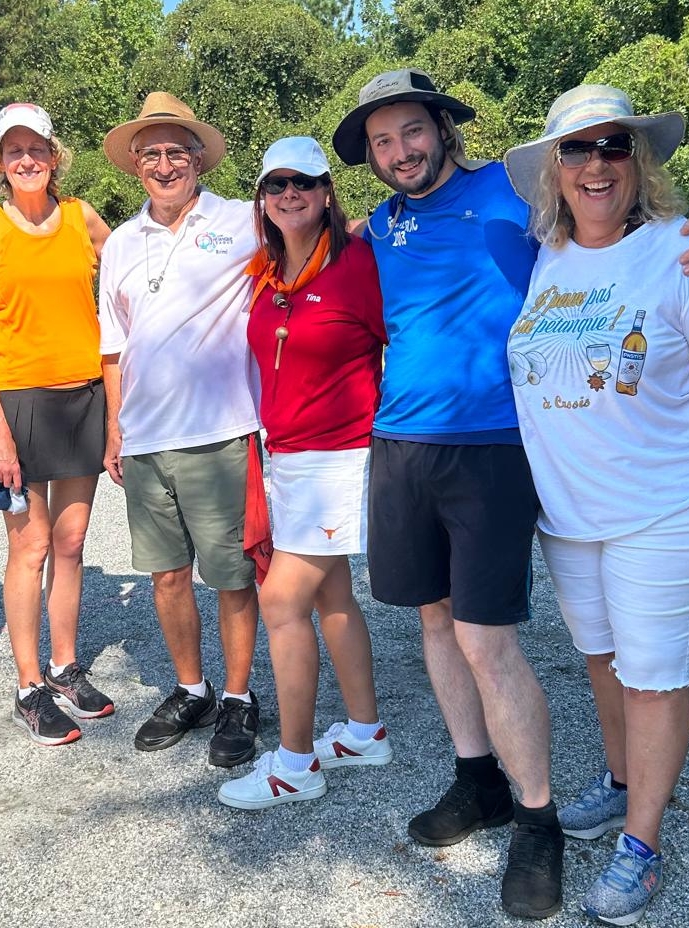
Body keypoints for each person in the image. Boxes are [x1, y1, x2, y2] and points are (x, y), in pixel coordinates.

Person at [330, 68, 689, 919]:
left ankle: (536, 818)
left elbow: (619, 222)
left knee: (486, 640)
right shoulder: (380, 226)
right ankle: (476, 778)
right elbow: (294, 255)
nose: (401, 150)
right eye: (382, 140)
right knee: (435, 621)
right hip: (401, 442)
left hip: (493, 447)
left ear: (444, 128)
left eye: (413, 130)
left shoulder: (515, 199)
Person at [502, 84, 689, 925]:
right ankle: (620, 782)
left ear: (637, 160)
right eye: (576, 149)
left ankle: (642, 846)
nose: (595, 164)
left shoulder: (684, 250)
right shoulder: (542, 253)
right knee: (600, 659)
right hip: (568, 517)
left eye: (612, 145)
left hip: (667, 506)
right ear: (554, 169)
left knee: (652, 677)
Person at [217, 137, 390, 810]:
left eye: (304, 182)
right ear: (262, 198)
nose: (289, 194)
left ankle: (294, 766)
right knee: (331, 597)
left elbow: (400, 339)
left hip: (338, 458)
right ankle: (365, 732)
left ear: (326, 193)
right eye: (276, 184)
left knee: (281, 601)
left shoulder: (358, 263)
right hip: (287, 456)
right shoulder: (265, 272)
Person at [98, 93, 262, 768]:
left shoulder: (241, 219)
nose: (164, 165)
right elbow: (113, 346)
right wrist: (114, 429)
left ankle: (240, 697)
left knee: (231, 577)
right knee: (167, 577)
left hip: (221, 432)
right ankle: (192, 689)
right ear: (135, 163)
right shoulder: (120, 242)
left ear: (198, 158)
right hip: (145, 438)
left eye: (176, 152)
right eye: (151, 154)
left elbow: (316, 234)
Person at [0, 103, 114, 746]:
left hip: (84, 398)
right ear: (0, 161)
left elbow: (139, 274)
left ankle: (64, 665)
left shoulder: (82, 218)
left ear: (55, 155)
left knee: (71, 543)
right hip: (18, 405)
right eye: (14, 150)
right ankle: (29, 685)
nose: (26, 160)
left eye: (37, 148)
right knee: (31, 547)